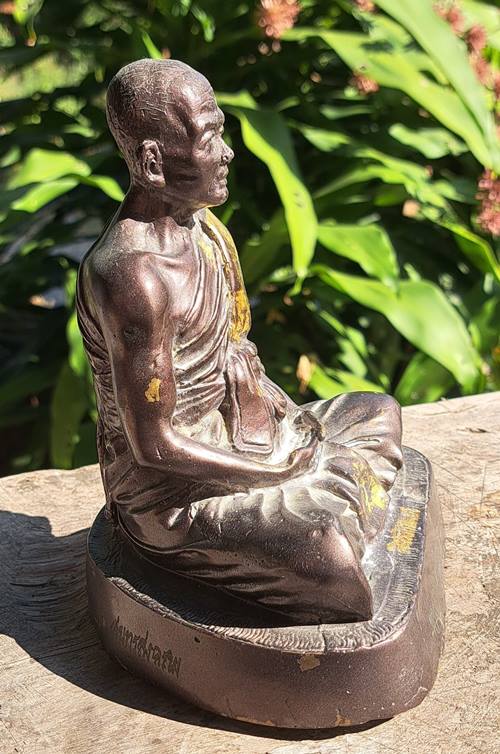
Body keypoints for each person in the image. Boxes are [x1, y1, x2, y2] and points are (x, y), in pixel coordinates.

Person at [77, 59, 402, 625]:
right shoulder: (133, 278)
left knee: (378, 412)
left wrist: (278, 420)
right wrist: (276, 474)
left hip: (238, 435)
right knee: (333, 567)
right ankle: (336, 506)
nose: (227, 153)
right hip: (174, 493)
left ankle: (333, 500)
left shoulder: (202, 231)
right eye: (209, 139)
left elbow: (234, 353)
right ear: (153, 163)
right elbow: (154, 445)